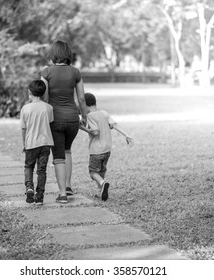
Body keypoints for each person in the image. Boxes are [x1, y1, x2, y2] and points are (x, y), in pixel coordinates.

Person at [40, 40, 88, 204]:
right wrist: (85, 117)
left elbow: (44, 98)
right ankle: (68, 186)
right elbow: (81, 98)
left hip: (55, 119)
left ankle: (62, 194)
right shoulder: (75, 72)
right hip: (72, 119)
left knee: (58, 156)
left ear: (53, 54)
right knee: (67, 151)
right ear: (68, 55)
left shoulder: (46, 72)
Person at [79, 92, 133, 201]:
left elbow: (95, 132)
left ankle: (103, 183)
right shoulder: (104, 113)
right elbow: (115, 124)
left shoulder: (89, 116)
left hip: (96, 150)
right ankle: (100, 191)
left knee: (93, 172)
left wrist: (82, 128)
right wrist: (126, 135)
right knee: (101, 171)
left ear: (84, 105)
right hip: (107, 150)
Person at [20, 80, 54, 205]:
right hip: (45, 143)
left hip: (31, 143)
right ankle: (39, 196)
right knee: (42, 170)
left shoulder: (25, 108)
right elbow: (50, 123)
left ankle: (29, 187)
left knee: (29, 166)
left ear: (30, 92)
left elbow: (23, 129)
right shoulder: (49, 108)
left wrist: (24, 143)